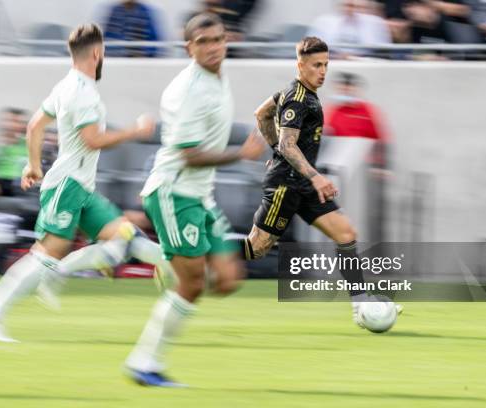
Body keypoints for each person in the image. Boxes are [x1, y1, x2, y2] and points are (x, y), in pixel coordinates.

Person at [0, 23, 171, 342]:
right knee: (47, 253)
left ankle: (176, 270)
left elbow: (35, 126)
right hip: (68, 186)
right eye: (103, 53)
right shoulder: (83, 92)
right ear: (97, 52)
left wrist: (33, 165)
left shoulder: (66, 85)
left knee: (123, 236)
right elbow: (92, 140)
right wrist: (135, 131)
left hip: (79, 186)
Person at [124, 13, 265, 387]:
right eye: (203, 42)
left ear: (227, 40)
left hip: (199, 195)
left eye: (217, 39)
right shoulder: (186, 89)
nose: (213, 47)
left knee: (229, 280)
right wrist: (242, 153)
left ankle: (160, 258)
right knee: (193, 285)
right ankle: (144, 364)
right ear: (189, 48)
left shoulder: (218, 76)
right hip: (174, 192)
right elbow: (189, 155)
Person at [237, 37, 401, 327]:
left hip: (303, 183)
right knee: (256, 248)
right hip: (287, 185)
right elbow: (289, 145)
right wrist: (314, 175)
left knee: (346, 233)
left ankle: (360, 305)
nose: (323, 71)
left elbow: (261, 113)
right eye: (316, 65)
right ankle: (197, 252)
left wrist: (277, 152)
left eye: (326, 64)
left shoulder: (304, 92)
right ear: (301, 65)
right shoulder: (298, 98)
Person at [324, 72, 391, 242]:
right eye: (342, 87)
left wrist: (382, 167)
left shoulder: (367, 111)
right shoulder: (332, 111)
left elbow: (381, 139)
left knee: (365, 214)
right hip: (340, 174)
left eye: (348, 88)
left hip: (365, 173)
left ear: (355, 90)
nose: (345, 91)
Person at [307, 0, 391, 59]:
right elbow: (310, 49)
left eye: (357, 6)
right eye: (348, 5)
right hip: (331, 62)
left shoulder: (375, 23)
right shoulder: (323, 22)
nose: (352, 10)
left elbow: (383, 51)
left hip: (366, 63)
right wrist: (336, 56)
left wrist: (356, 56)